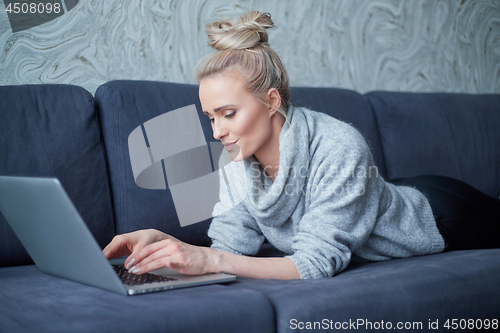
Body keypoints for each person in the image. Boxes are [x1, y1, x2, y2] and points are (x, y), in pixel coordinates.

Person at [103, 11, 500, 280]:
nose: (217, 131)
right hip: (381, 189)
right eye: (210, 117)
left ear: (272, 101)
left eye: (227, 113)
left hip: (442, 213)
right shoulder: (238, 158)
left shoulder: (340, 145)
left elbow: (314, 264)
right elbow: (230, 244)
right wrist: (167, 244)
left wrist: (211, 259)